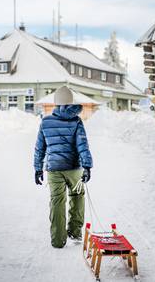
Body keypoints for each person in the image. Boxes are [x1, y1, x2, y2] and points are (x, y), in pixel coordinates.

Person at [33, 86, 93, 248]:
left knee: (57, 201)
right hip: (74, 168)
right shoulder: (76, 121)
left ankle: (58, 240)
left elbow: (40, 148)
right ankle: (74, 231)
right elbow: (83, 145)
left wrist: (38, 168)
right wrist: (87, 166)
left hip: (53, 169)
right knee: (77, 195)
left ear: (56, 103)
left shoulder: (45, 122)